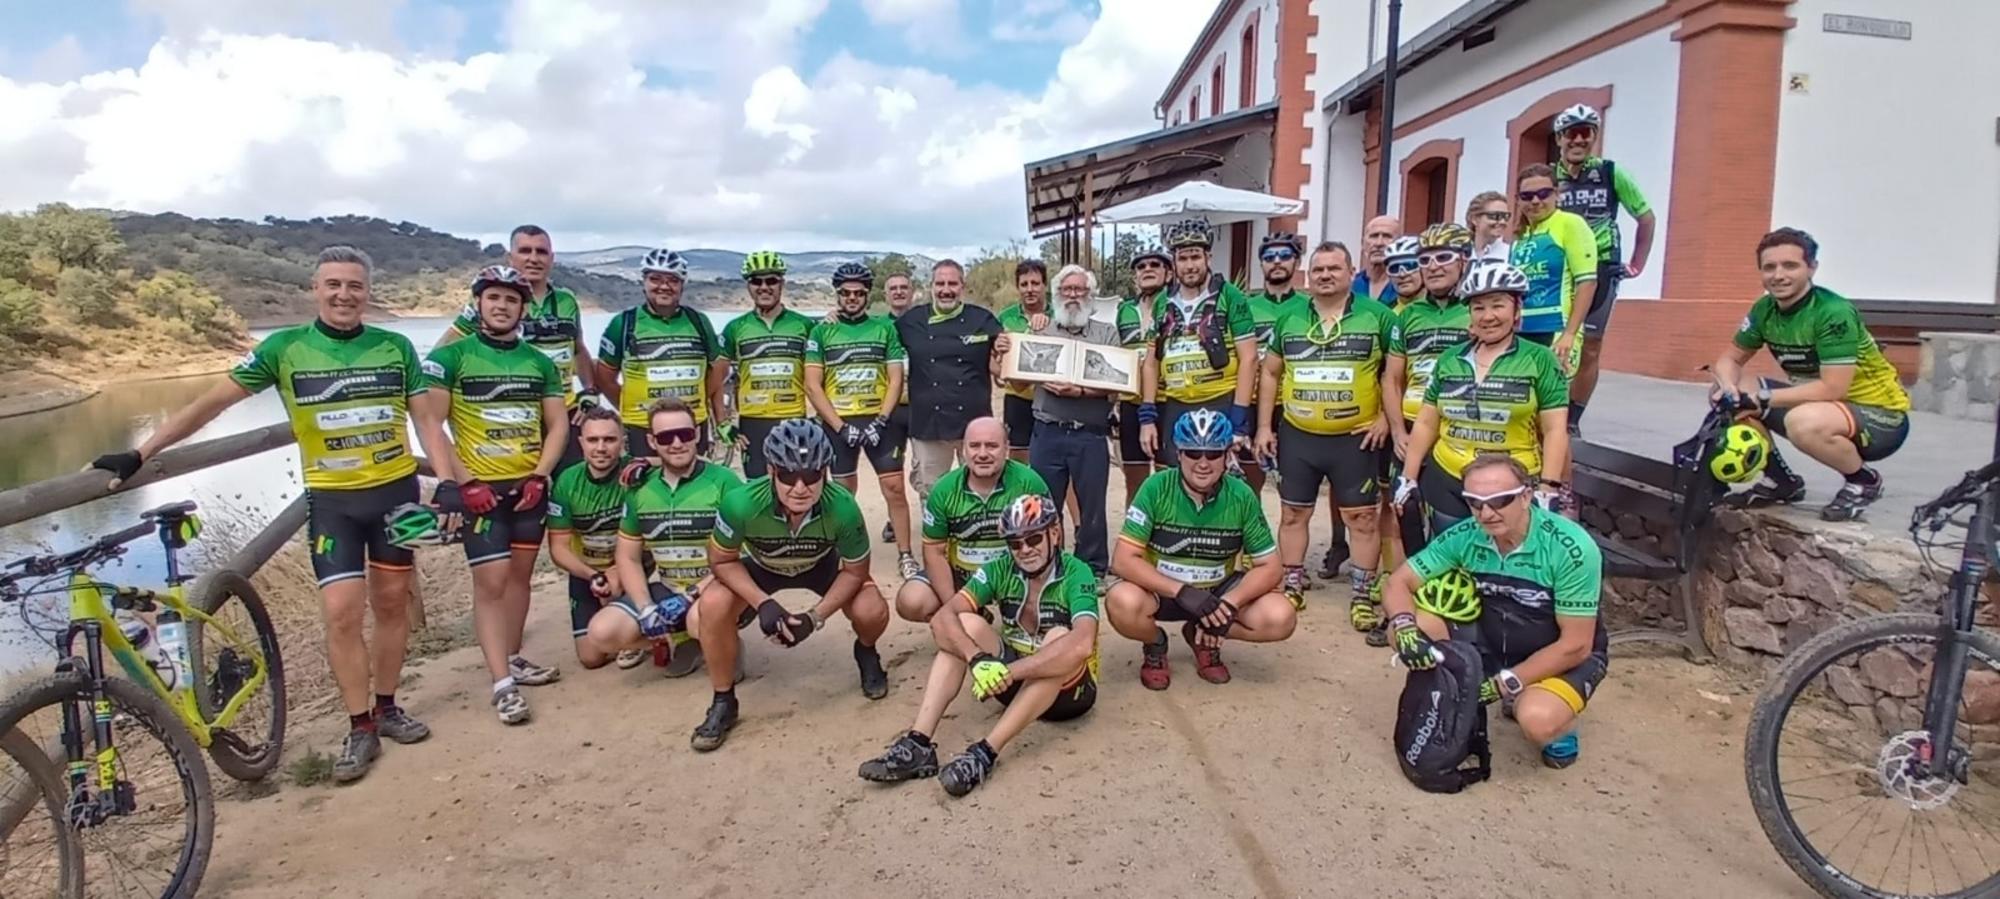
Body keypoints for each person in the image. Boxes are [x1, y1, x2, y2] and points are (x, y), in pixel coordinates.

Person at [92, 245, 435, 783]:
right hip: (334, 500)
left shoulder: (395, 347)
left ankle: (389, 705)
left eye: (355, 285)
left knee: (391, 603)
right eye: (333, 285)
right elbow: (212, 403)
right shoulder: (284, 348)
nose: (344, 294)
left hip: (398, 493)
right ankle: (360, 725)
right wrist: (143, 451)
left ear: (369, 292)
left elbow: (429, 425)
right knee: (342, 613)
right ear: (315, 289)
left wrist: (459, 485)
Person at [857, 494, 1099, 796]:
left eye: (1034, 538)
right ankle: (919, 742)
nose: (1024, 550)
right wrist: (977, 659)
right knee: (965, 625)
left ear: (1054, 533)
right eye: (1015, 543)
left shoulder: (1077, 572)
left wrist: (1009, 672)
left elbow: (1083, 644)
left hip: (1068, 693)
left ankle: (986, 752)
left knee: (1060, 638)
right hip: (1011, 681)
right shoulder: (1000, 568)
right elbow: (944, 617)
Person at [1382, 453, 1609, 770]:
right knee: (1406, 628)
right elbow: (1398, 583)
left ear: (1527, 496)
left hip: (1560, 653)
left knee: (1537, 720)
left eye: (1500, 500)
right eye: (1475, 502)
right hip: (1493, 642)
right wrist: (1405, 626)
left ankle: (1561, 724)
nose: (1486, 513)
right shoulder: (1466, 534)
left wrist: (1506, 684)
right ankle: (1449, 694)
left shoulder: (1571, 547)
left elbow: (1576, 645)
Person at [414, 265, 568, 726]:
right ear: (478, 303)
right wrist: (464, 482)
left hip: (527, 487)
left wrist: (541, 474)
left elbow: (557, 423)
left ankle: (513, 656)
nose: (502, 306)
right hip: (479, 489)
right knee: (492, 581)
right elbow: (432, 426)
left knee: (520, 575)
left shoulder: (538, 363)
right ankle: (502, 684)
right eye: (493, 298)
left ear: (523, 308)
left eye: (512, 300)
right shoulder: (454, 357)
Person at [686, 420, 890, 751]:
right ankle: (723, 700)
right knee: (711, 604)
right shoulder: (741, 503)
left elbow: (855, 571)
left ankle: (866, 650)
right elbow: (721, 561)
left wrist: (814, 617)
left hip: (820, 565)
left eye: (811, 476)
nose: (800, 487)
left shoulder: (843, 507)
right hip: (763, 567)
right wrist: (761, 602)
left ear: (825, 471)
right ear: (770, 470)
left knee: (872, 609)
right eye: (787, 475)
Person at [1711, 228, 1911, 521]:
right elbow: (1729, 359)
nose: (1778, 275)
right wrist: (1728, 387)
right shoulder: (1764, 309)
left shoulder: (1832, 312)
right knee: (1730, 394)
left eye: (1790, 265)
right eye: (1769, 267)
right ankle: (1780, 481)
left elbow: (1833, 388)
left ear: (1811, 268)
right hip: (1826, 407)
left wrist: (1761, 398)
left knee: (1800, 422)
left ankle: (1862, 481)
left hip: (1881, 417)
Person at [1255, 242, 1395, 639]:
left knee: (1363, 518)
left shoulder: (1377, 317)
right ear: (1307, 276)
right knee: (1293, 514)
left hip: (1356, 438)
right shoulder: (1289, 317)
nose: (1326, 275)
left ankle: (1364, 595)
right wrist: (1265, 426)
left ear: (1352, 273)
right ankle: (1293, 582)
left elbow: (1394, 374)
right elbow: (1270, 373)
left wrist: (1386, 417)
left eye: (1335, 268)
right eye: (1318, 270)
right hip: (1299, 435)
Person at [1107, 409, 1296, 689]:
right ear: (1179, 454)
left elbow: (1270, 566)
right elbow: (1123, 560)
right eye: (1194, 453)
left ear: (1226, 455)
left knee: (1281, 616)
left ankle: (1202, 633)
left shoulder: (1241, 494)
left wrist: (1230, 604)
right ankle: (1155, 644)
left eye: (1213, 453)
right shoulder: (1155, 487)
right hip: (1164, 591)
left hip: (1218, 591)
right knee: (1120, 601)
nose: (1203, 463)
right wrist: (1181, 591)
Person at [1394, 263, 1571, 535]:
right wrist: (1408, 477)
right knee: (1451, 560)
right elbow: (1427, 422)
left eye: (1498, 305)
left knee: (1506, 563)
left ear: (1516, 310)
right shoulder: (1449, 359)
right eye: (1478, 308)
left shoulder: (1540, 359)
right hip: (1449, 477)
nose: (1488, 316)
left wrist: (1549, 486)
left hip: (1512, 481)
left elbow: (1555, 429)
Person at [434, 225, 594, 471]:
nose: (533, 258)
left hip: (565, 410)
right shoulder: (491, 302)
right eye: (525, 251)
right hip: (515, 412)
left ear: (551, 259)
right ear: (510, 257)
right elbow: (444, 349)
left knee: (568, 486)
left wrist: (590, 392)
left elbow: (579, 349)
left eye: (541, 252)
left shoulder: (567, 301)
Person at [607, 397, 744, 674]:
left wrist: (692, 594)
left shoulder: (725, 481)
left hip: (717, 587)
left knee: (699, 619)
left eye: (685, 434)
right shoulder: (639, 488)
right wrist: (645, 608)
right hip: (668, 587)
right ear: (652, 441)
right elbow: (628, 556)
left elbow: (745, 552)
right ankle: (684, 642)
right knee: (603, 633)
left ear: (697, 435)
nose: (677, 443)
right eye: (667, 437)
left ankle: (725, 642)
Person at [806, 262, 918, 579]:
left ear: (868, 295)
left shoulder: (884, 329)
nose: (852, 298)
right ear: (837, 295)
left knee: (894, 488)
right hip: (838, 422)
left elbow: (895, 378)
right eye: (845, 293)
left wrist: (880, 421)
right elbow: (813, 385)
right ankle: (844, 554)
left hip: (879, 421)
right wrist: (841, 427)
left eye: (858, 293)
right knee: (842, 493)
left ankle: (905, 555)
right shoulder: (821, 331)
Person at [1552, 105, 1656, 436]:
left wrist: (1638, 262)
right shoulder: (1548, 178)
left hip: (1601, 266)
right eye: (1572, 132)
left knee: (1592, 345)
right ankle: (1548, 408)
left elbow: (1646, 216)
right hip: (1561, 268)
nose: (1579, 139)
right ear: (1560, 138)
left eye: (1587, 132)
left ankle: (1572, 419)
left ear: (1595, 136)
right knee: (1551, 340)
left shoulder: (1611, 173)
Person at [898, 417, 1051, 622]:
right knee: (911, 601)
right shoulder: (944, 490)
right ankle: (974, 614)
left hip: (1015, 572)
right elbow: (934, 551)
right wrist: (955, 607)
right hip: (962, 575)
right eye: (974, 446)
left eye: (992, 446)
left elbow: (1051, 540)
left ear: (1006, 448)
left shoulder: (1029, 482)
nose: (982, 454)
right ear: (963, 450)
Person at [1384, 223, 1475, 560]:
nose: (1433, 265)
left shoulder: (1475, 310)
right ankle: (1410, 586)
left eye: (1443, 257)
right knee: (1404, 510)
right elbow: (1392, 379)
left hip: (1456, 426)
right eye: (1425, 258)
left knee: (1449, 519)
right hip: (1410, 422)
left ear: (1464, 259)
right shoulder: (1408, 316)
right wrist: (1396, 431)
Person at [1136, 217, 1258, 468]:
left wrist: (1238, 419)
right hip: (1176, 403)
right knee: (1171, 479)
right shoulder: (1162, 302)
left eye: (1195, 257)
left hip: (1219, 399)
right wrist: (1147, 417)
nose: (1190, 265)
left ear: (1208, 258)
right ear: (1174, 263)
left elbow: (1250, 358)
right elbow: (1151, 362)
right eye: (1183, 258)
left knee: (1216, 478)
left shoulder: (1229, 296)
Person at [1026, 265, 1121, 577]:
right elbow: (1019, 376)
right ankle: (1048, 565)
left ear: (1091, 296)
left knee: (1092, 506)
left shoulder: (1106, 333)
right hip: (1047, 431)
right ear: (1056, 295)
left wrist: (1079, 390)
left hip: (1090, 434)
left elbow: (1117, 383)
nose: (1073, 296)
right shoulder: (1041, 330)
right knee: (1044, 503)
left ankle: (1093, 568)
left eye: (1080, 290)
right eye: (1067, 290)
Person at [545, 407, 653, 671]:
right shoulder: (567, 481)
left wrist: (649, 462)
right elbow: (558, 548)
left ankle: (654, 636)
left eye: (610, 439)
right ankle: (646, 636)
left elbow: (676, 459)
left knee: (617, 628)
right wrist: (592, 575)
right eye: (593, 440)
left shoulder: (636, 474)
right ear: (581, 443)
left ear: (622, 442)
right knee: (591, 659)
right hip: (587, 571)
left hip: (631, 565)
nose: (601, 447)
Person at [596, 248, 728, 457]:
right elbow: (605, 378)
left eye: (672, 280)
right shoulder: (623, 323)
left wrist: (703, 399)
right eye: (655, 279)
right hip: (642, 426)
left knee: (695, 487)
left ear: (682, 285)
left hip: (692, 424)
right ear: (644, 282)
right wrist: (632, 407)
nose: (664, 286)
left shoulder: (699, 321)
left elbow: (718, 368)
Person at [898, 259, 1005, 503]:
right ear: (931, 287)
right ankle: (935, 539)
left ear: (962, 287)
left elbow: (1005, 357)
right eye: (940, 283)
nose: (946, 289)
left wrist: (1004, 346)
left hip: (975, 422)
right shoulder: (910, 321)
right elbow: (878, 337)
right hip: (928, 425)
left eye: (952, 283)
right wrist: (834, 317)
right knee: (932, 493)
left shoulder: (982, 319)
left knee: (982, 488)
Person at [720, 250, 815, 479]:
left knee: (796, 485)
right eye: (756, 281)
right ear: (748, 286)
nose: (764, 287)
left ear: (782, 283)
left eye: (771, 280)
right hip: (752, 424)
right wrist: (723, 423)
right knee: (756, 490)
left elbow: (821, 376)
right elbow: (715, 381)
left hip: (795, 419)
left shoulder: (804, 325)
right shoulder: (735, 328)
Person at [1509, 164, 1597, 372]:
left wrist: (1569, 334)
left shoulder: (1571, 224)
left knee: (1552, 400)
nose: (1536, 201)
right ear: (1518, 200)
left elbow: (1587, 282)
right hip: (1521, 331)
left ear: (1557, 194)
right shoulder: (1520, 237)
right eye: (1527, 196)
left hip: (1556, 329)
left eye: (1543, 194)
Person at [1114, 249, 1168, 507]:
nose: (1148, 269)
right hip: (1130, 403)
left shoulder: (1174, 305)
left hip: (1166, 401)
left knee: (1167, 479)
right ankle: (1134, 540)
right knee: (1133, 482)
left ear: (1168, 273)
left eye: (1155, 265)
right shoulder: (1123, 310)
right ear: (1135, 277)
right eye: (1141, 266)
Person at [879, 272, 920, 543]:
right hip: (890, 407)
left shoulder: (922, 321)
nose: (898, 292)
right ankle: (894, 519)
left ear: (912, 291)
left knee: (924, 468)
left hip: (921, 406)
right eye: (893, 288)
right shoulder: (877, 325)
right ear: (885, 295)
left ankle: (932, 518)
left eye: (903, 287)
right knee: (893, 471)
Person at [996, 260, 1051, 462]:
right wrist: (1001, 368)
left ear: (1045, 285)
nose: (1030, 289)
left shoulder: (1057, 316)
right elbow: (993, 361)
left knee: (1050, 454)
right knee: (1019, 455)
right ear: (1018, 287)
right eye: (1024, 284)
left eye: (1035, 284)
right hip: (1016, 397)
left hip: (1050, 396)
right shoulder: (1005, 317)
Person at [1352, 215, 1402, 303]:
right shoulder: (1351, 286)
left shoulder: (1405, 285)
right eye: (1374, 236)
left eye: (1387, 236)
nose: (1379, 243)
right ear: (1363, 243)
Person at [1380, 236, 1425, 313]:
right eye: (1394, 268)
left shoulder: (1442, 309)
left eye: (1410, 266)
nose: (1402, 274)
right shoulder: (1384, 315)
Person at [1466, 191, 1512, 264]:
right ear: (1474, 219)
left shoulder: (1511, 254)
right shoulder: (1461, 254)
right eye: (1495, 216)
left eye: (1506, 217)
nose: (1503, 222)